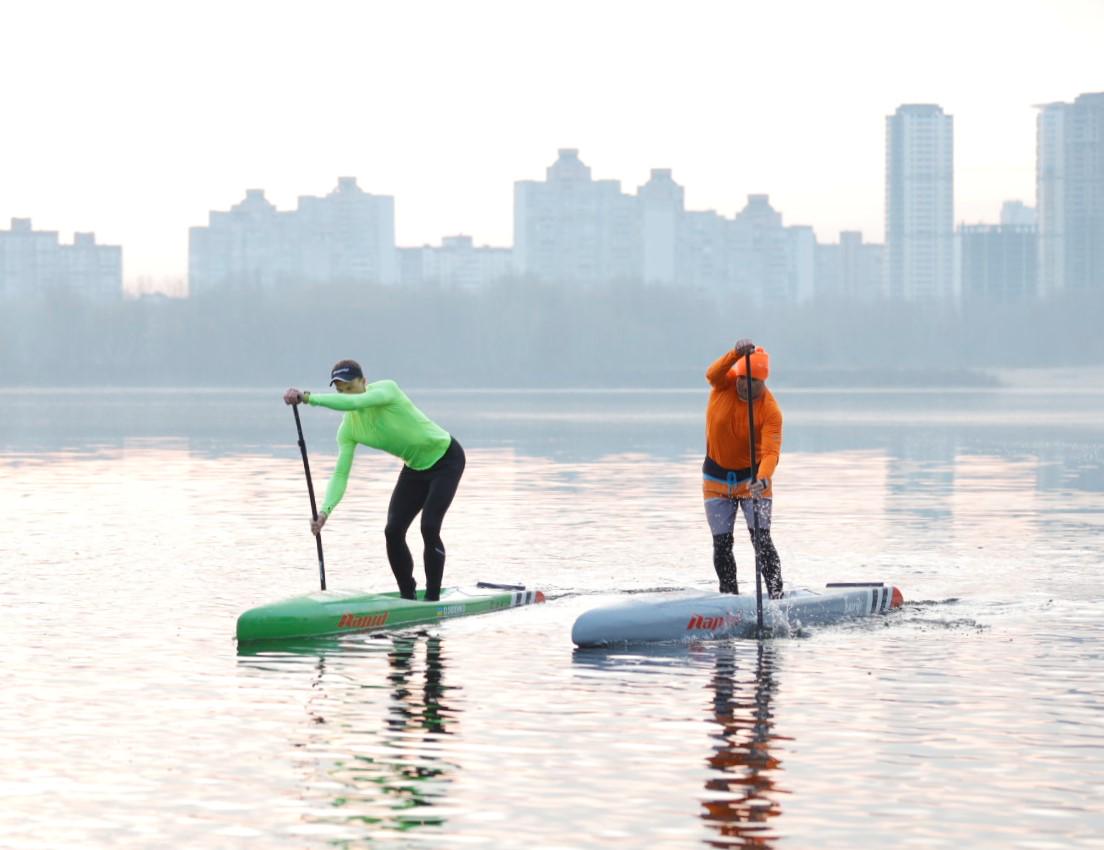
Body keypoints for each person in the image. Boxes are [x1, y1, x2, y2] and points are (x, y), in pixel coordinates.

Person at [283, 360, 465, 602]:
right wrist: (325, 512)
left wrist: (307, 398)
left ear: (364, 382)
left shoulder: (386, 390)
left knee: (429, 527)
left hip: (446, 459)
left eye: (350, 387)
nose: (346, 395)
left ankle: (432, 600)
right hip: (414, 468)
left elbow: (356, 402)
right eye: (341, 391)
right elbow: (340, 474)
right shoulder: (348, 430)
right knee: (393, 531)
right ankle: (407, 597)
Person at [703, 339, 783, 598]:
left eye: (752, 382)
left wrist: (763, 479)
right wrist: (736, 353)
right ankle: (730, 599)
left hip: (752, 482)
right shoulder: (722, 383)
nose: (744, 386)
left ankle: (777, 596)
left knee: (761, 542)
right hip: (715, 480)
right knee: (722, 545)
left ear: (763, 382)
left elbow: (771, 452)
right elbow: (710, 373)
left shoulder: (770, 410)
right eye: (741, 379)